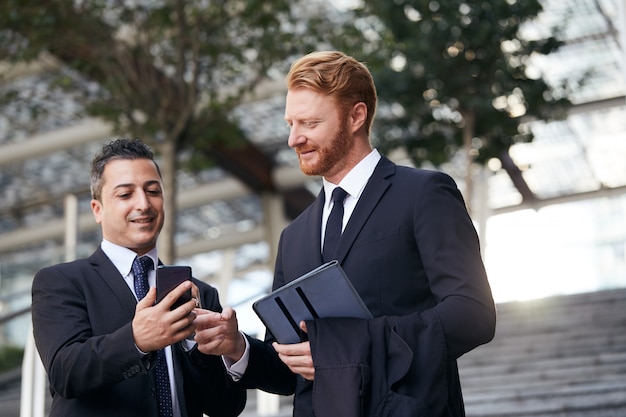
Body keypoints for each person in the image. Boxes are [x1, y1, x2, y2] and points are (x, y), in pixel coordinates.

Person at [193, 51, 496, 416]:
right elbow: (288, 369)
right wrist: (236, 346)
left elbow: (473, 315)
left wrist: (345, 348)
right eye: (290, 123)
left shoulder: (424, 194)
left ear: (356, 116)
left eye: (308, 123)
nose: (293, 139)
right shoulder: (294, 236)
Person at [31, 138, 246, 417]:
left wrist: (210, 348)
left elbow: (225, 407)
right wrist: (136, 340)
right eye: (125, 194)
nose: (143, 204)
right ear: (97, 210)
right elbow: (65, 372)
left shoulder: (199, 294)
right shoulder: (61, 282)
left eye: (153, 191)